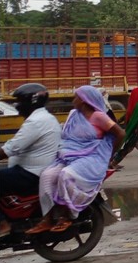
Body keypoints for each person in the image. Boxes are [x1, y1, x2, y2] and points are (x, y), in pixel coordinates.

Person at [27, 85, 125, 235]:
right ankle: (48, 217)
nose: (73, 100)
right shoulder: (73, 114)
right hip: (68, 156)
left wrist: (108, 155)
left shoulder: (98, 116)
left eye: (76, 97)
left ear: (84, 100)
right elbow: (66, 136)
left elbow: (120, 134)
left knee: (66, 175)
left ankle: (66, 216)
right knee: (47, 176)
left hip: (90, 157)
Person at [0, 83, 61, 236]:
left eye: (20, 101)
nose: (16, 105)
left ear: (32, 101)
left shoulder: (36, 122)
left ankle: (2, 224)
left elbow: (11, 148)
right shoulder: (43, 118)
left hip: (30, 173)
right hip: (30, 169)